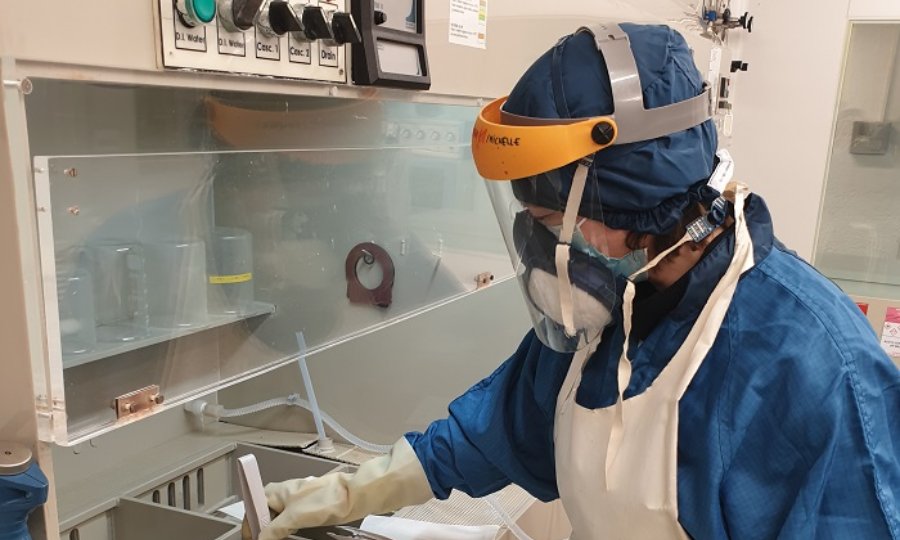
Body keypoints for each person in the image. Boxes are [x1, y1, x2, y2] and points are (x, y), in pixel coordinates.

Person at [250, 22, 900, 540]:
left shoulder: (815, 371)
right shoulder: (614, 306)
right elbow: (493, 429)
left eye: (547, 223)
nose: (541, 251)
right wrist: (355, 490)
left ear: (627, 206)